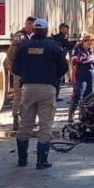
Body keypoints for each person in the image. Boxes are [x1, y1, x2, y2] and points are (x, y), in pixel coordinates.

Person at [12, 18, 68, 169]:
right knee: (45, 125)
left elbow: (15, 69)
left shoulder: (23, 47)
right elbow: (63, 68)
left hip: (28, 89)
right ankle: (41, 161)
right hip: (47, 88)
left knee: (25, 125)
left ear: (34, 30)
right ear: (46, 30)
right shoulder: (54, 47)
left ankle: (22, 160)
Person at [4, 16, 36, 131]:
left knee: (28, 96)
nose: (31, 27)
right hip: (21, 71)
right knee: (19, 96)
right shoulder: (20, 36)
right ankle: (16, 121)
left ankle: (26, 120)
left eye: (33, 25)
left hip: (29, 71)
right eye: (29, 24)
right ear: (26, 24)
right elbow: (10, 55)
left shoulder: (31, 36)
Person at [69, 34, 94, 121]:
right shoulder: (77, 49)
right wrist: (85, 58)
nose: (89, 42)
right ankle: (71, 113)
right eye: (87, 40)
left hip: (90, 73)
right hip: (80, 73)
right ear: (83, 41)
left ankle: (84, 114)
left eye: (92, 41)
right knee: (78, 93)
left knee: (89, 94)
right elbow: (74, 60)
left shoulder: (92, 50)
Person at [52, 23, 75, 99]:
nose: (68, 30)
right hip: (59, 60)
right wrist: (74, 43)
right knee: (58, 78)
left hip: (53, 59)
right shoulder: (62, 37)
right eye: (66, 28)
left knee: (55, 78)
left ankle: (54, 95)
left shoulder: (54, 37)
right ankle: (55, 96)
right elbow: (69, 46)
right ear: (61, 29)